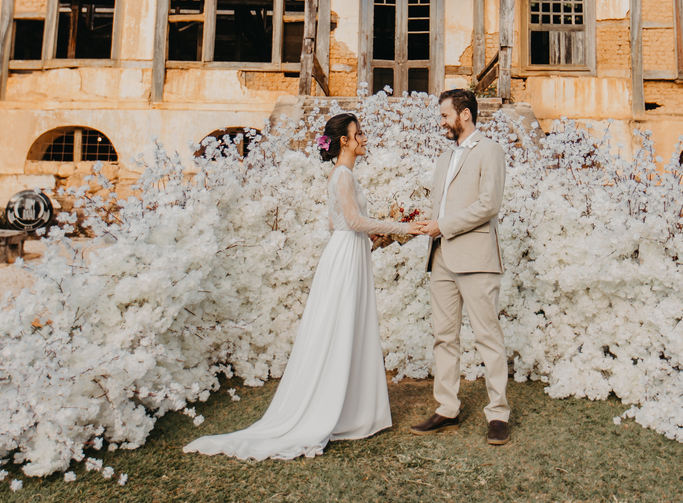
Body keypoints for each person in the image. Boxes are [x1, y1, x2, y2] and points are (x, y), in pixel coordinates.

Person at [184, 113, 420, 460]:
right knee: (339, 327)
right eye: (360, 134)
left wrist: (379, 236)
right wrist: (403, 229)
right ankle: (333, 409)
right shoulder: (342, 174)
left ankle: (351, 409)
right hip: (345, 255)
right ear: (346, 141)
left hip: (348, 251)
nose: (365, 139)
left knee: (349, 326)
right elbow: (352, 221)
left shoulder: (343, 175)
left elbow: (336, 222)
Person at [412, 89, 510, 446]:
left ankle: (498, 413)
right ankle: (447, 408)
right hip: (440, 257)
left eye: (444, 116)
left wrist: (444, 224)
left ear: (464, 114)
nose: (441, 122)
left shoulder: (490, 150)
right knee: (443, 336)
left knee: (488, 337)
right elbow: (443, 208)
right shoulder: (444, 157)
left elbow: (489, 204)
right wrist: (428, 222)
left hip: (477, 259)